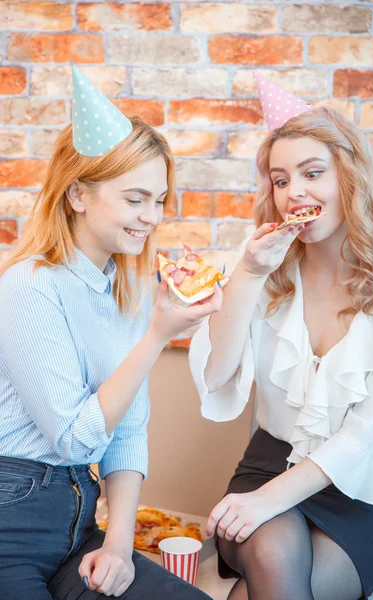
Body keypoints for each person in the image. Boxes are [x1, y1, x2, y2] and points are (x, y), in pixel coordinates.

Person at [0, 66, 220, 600]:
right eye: (135, 198)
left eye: (159, 200)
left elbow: (126, 433)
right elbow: (74, 437)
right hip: (11, 525)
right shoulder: (30, 285)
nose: (151, 217)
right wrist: (156, 338)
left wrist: (119, 545)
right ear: (77, 194)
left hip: (79, 529)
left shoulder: (129, 289)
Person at [189, 74, 373, 600]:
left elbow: (367, 435)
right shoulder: (264, 266)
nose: (293, 193)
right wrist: (248, 274)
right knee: (272, 550)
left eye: (312, 173)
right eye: (280, 180)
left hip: (363, 485)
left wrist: (266, 502)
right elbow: (215, 377)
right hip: (267, 463)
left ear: (348, 177)